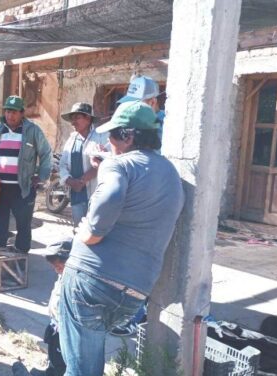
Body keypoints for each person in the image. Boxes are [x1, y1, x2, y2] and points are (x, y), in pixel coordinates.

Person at [58, 101, 184, 375]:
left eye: (113, 136)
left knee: (82, 370)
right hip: (135, 293)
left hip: (91, 283)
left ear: (128, 137)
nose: (110, 142)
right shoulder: (170, 172)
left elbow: (112, 196)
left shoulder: (118, 167)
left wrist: (88, 233)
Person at [110, 75, 164, 336]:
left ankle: (136, 316)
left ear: (153, 102)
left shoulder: (164, 127)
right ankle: (133, 313)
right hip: (137, 200)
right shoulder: (139, 129)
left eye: (140, 103)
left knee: (142, 266)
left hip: (153, 204)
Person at [0, 95, 52, 253]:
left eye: (14, 112)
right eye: (7, 111)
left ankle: (21, 256)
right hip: (0, 187)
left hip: (23, 187)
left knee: (23, 224)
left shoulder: (32, 131)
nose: (10, 115)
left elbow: (46, 153)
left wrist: (41, 176)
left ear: (21, 113)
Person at [59, 103, 109, 227]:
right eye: (72, 118)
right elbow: (62, 165)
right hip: (77, 195)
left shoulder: (101, 137)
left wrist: (81, 181)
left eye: (77, 118)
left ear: (88, 119)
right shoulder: (71, 140)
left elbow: (104, 163)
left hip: (96, 194)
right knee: (79, 229)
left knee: (96, 229)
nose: (73, 122)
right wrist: (70, 181)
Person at [31, 237, 73, 376]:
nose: (56, 270)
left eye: (59, 267)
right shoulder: (63, 274)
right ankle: (51, 371)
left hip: (66, 330)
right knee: (53, 354)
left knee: (62, 360)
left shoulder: (74, 281)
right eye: (54, 267)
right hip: (55, 324)